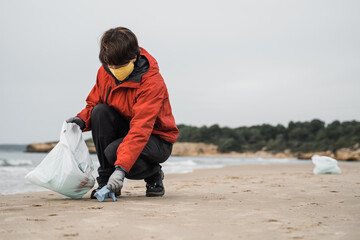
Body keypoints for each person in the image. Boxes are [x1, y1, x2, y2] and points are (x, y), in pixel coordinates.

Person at [67, 27, 179, 198]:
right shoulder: (105, 72)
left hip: (156, 138)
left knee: (114, 152)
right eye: (110, 65)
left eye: (119, 66)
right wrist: (81, 120)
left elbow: (140, 129)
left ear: (134, 57)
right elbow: (94, 102)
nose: (114, 70)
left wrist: (120, 170)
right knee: (99, 112)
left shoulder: (152, 83)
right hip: (127, 131)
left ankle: (153, 174)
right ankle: (105, 182)